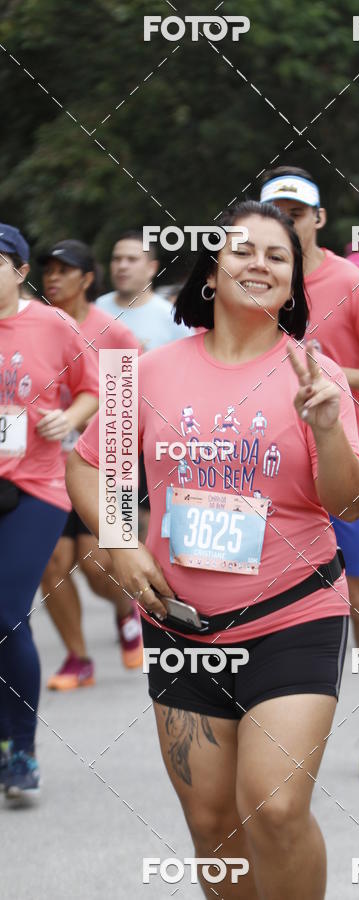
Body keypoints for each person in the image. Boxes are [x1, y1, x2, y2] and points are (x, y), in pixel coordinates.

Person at [66, 201, 359, 899]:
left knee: (275, 808)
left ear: (292, 286)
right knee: (211, 825)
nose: (258, 263)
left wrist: (327, 427)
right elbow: (87, 466)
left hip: (294, 614)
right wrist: (119, 539)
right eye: (242, 250)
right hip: (181, 627)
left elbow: (350, 503)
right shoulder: (146, 373)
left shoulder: (317, 376)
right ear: (210, 271)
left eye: (277, 255)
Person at [260, 166, 359, 779]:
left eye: (297, 213)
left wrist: (329, 375)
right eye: (276, 213)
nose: (287, 223)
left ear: (319, 219)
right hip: (266, 468)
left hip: (344, 465)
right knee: (263, 592)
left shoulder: (352, 284)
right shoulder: (250, 282)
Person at [0, 224, 98, 801]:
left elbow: (94, 388)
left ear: (19, 272)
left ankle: (22, 747)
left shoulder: (52, 324)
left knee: (7, 614)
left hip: (36, 486)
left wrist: (70, 417)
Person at [39, 239, 144, 689]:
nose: (53, 278)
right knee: (52, 564)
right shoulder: (35, 324)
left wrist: (89, 421)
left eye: (64, 270)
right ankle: (77, 658)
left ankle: (126, 609)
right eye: (48, 270)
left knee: (98, 563)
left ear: (86, 279)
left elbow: (134, 402)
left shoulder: (113, 333)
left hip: (108, 463)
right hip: (44, 466)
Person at [97, 231, 191, 541]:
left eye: (131, 259)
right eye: (116, 259)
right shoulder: (97, 310)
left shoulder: (171, 317)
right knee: (115, 531)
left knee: (152, 527)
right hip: (110, 436)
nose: (122, 266)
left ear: (152, 267)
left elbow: (188, 375)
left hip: (156, 436)